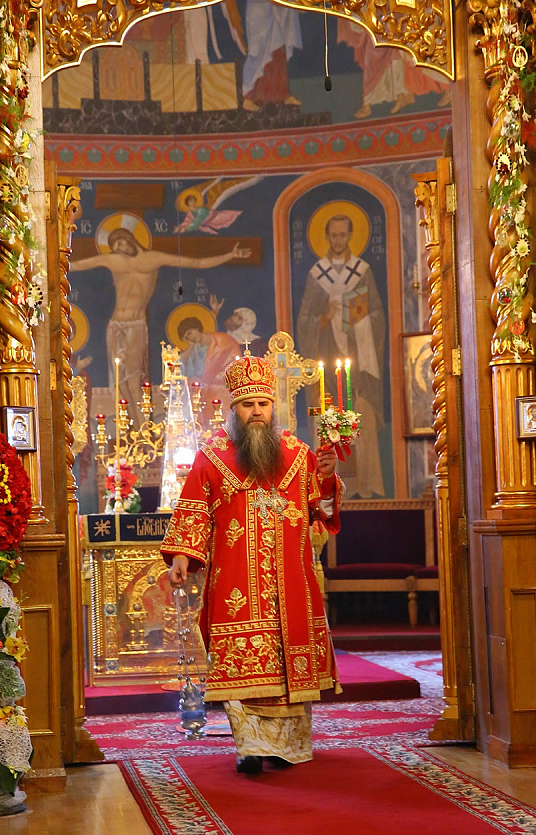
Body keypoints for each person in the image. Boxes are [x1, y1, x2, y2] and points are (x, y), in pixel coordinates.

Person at [163, 352, 343, 773]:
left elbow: (322, 512)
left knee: (285, 664)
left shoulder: (298, 454)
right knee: (242, 667)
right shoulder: (211, 457)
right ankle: (249, 747)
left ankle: (286, 747)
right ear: (234, 410)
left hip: (292, 582)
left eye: (263, 403)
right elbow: (192, 513)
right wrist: (182, 556)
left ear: (272, 407)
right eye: (248, 405)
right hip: (236, 586)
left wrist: (327, 476)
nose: (257, 411)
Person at [70, 228, 251, 421]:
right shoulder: (112, 260)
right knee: (120, 383)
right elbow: (77, 265)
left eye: (122, 243)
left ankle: (143, 430)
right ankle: (131, 431)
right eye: (116, 247)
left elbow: (196, 263)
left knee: (132, 381)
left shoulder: (153, 258)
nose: (121, 249)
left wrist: (230, 255)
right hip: (115, 325)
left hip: (135, 325)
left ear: (130, 239)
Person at [297, 213, 386, 498]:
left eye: (342, 235)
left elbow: (377, 315)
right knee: (323, 417)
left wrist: (357, 318)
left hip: (357, 366)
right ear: (326, 237)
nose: (338, 240)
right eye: (333, 235)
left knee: (363, 413)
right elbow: (304, 321)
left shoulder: (362, 271)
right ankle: (321, 486)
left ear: (350, 236)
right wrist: (325, 318)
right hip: (324, 365)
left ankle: (366, 484)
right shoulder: (317, 275)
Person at [178, 315, 241, 414]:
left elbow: (235, 369)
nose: (191, 337)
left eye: (190, 333)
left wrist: (210, 379)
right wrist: (191, 345)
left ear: (196, 328)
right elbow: (180, 366)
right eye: (187, 338)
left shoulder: (224, 340)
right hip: (202, 394)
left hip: (221, 390)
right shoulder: (194, 350)